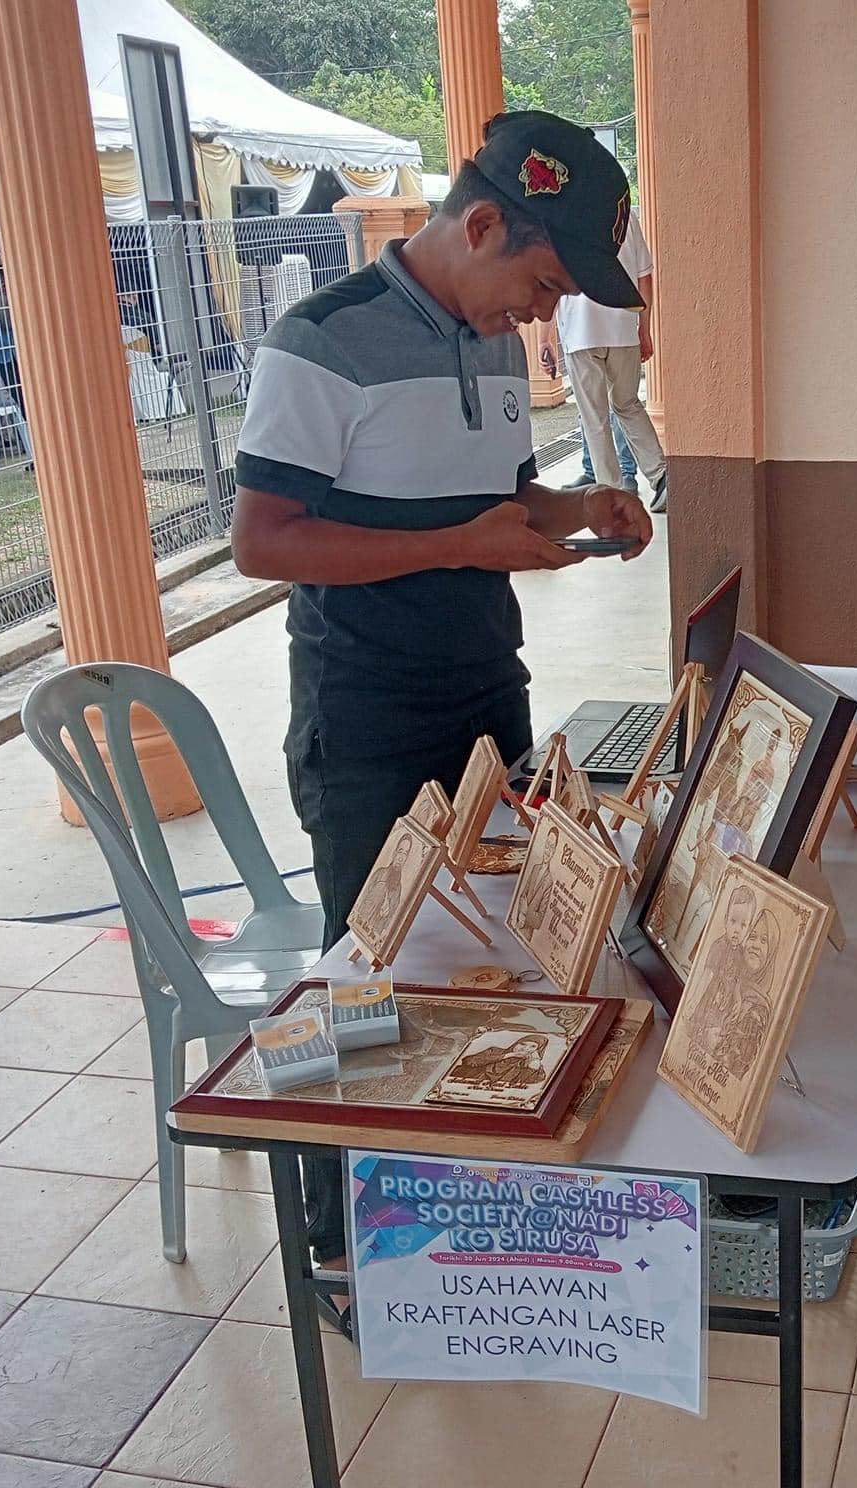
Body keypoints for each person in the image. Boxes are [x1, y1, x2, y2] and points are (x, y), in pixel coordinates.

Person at [230, 110, 652, 1327]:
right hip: (366, 710)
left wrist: (579, 506)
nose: (542, 313)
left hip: (484, 694)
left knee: (486, 953)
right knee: (364, 976)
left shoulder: (490, 345)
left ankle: (453, 1183)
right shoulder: (322, 342)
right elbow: (265, 542)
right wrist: (462, 546)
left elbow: (495, 503)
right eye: (543, 283)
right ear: (478, 228)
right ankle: (336, 1247)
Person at [554, 205, 668, 513]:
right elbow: (645, 276)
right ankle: (661, 475)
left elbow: (550, 280)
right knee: (627, 404)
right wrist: (644, 328)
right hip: (622, 326)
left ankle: (613, 494)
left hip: (579, 330)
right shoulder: (625, 216)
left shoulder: (561, 215)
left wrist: (544, 338)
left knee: (595, 417)